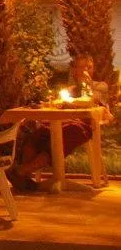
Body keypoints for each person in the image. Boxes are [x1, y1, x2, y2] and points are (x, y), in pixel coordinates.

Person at [9, 55, 107, 190]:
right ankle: (25, 180)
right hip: (58, 122)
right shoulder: (69, 90)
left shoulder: (100, 86)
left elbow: (92, 99)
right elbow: (57, 104)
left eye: (89, 67)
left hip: (82, 125)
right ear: (74, 70)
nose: (86, 70)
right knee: (39, 133)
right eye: (81, 67)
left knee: (66, 134)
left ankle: (20, 171)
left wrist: (86, 84)